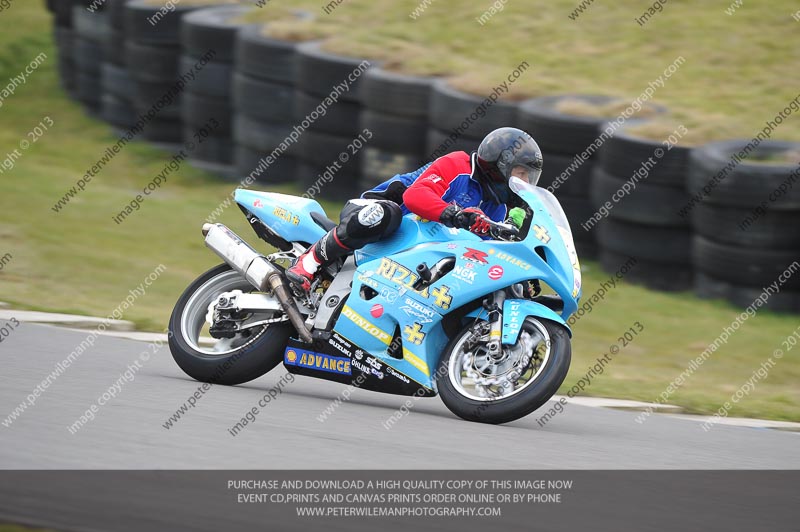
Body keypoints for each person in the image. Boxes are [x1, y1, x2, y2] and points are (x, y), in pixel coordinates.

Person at [286, 127, 544, 293]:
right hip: (374, 213)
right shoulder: (458, 165)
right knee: (388, 215)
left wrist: (519, 273)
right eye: (519, 174)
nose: (522, 184)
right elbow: (415, 196)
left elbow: (485, 255)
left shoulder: (496, 210)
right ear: (500, 164)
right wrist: (454, 215)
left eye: (528, 178)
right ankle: (308, 262)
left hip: (410, 249)